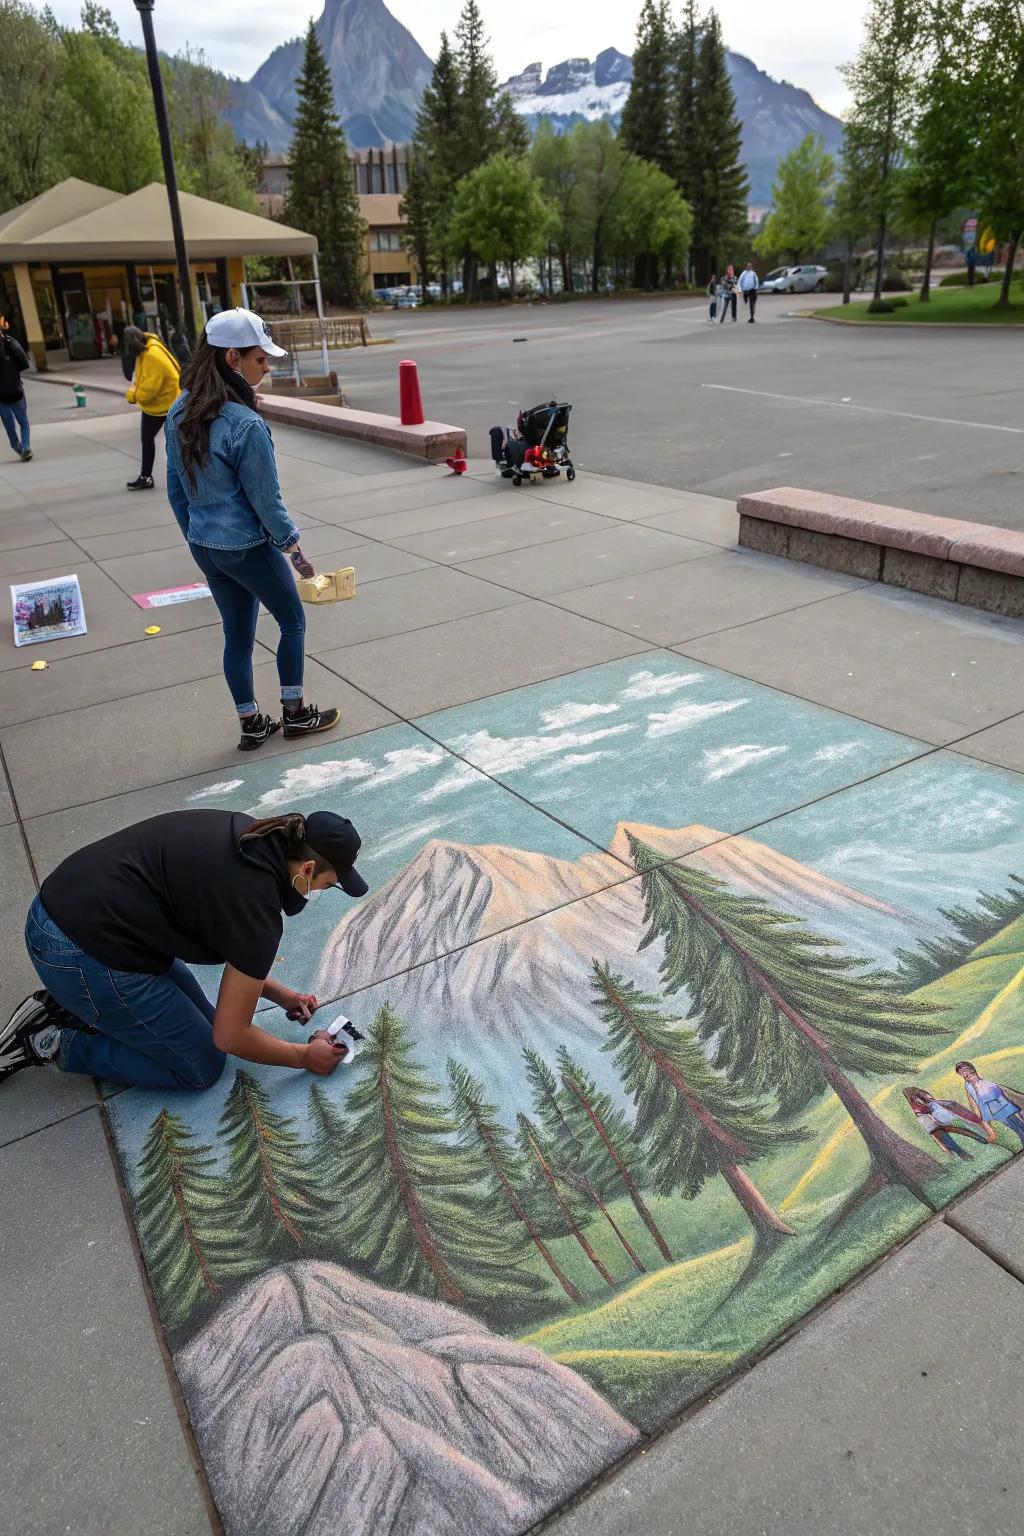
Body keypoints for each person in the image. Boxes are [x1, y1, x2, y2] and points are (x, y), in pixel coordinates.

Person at [0, 810, 368, 1091]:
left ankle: (76, 1005)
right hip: (78, 951)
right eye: (327, 883)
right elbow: (231, 1036)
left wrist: (280, 994)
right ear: (307, 867)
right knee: (202, 1065)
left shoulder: (252, 835)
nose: (319, 890)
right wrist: (303, 1056)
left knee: (205, 1025)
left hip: (67, 912)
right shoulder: (257, 908)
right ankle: (53, 1043)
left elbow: (230, 940)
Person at [165, 308, 340, 751]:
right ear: (232, 359)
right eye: (261, 359)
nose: (268, 366)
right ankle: (296, 714)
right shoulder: (246, 425)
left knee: (237, 637)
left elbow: (176, 488)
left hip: (207, 545)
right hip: (246, 546)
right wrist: (295, 553)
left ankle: (251, 723)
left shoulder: (179, 410)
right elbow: (267, 502)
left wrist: (195, 535)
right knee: (293, 621)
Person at [123, 324, 181, 490]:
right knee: (175, 439)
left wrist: (133, 395)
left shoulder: (151, 356)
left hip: (162, 404)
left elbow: (149, 390)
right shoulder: (151, 348)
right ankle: (147, 476)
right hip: (168, 401)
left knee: (148, 440)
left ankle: (146, 477)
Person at [902, 1086, 988, 1160]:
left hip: (935, 1123)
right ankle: (977, 1144)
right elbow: (928, 1106)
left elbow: (928, 1106)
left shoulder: (916, 1102)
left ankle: (970, 1151)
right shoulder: (918, 1100)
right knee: (957, 1134)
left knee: (956, 1135)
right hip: (935, 1122)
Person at [955, 1061, 1024, 1146]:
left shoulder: (980, 1077)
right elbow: (973, 1101)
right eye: (961, 1073)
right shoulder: (968, 1085)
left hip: (1002, 1102)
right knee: (1013, 1125)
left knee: (1018, 1122)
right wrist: (979, 1115)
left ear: (970, 1068)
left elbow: (998, 1088)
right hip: (992, 1108)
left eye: (965, 1070)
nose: (964, 1073)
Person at [0, 314, 32, 462]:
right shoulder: (11, 342)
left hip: (3, 397)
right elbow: (24, 364)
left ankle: (22, 449)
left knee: (11, 428)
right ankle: (25, 448)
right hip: (16, 390)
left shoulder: (10, 342)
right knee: (23, 422)